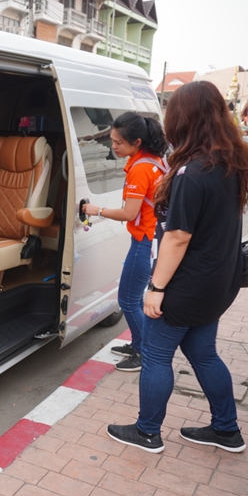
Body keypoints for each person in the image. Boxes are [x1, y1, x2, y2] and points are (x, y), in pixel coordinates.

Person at [106, 80, 248, 454]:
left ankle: (147, 432)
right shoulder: (231, 163)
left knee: (156, 355)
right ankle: (226, 429)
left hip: (187, 285)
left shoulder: (193, 171)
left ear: (183, 119)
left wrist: (156, 289)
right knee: (204, 354)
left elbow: (177, 238)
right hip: (219, 281)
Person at [82, 112, 168, 372]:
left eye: (118, 143)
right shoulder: (154, 160)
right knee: (133, 298)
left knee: (129, 300)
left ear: (137, 142)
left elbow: (129, 213)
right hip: (151, 237)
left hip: (145, 241)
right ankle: (139, 343)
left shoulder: (141, 169)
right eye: (112, 141)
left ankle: (144, 353)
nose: (113, 147)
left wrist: (96, 210)